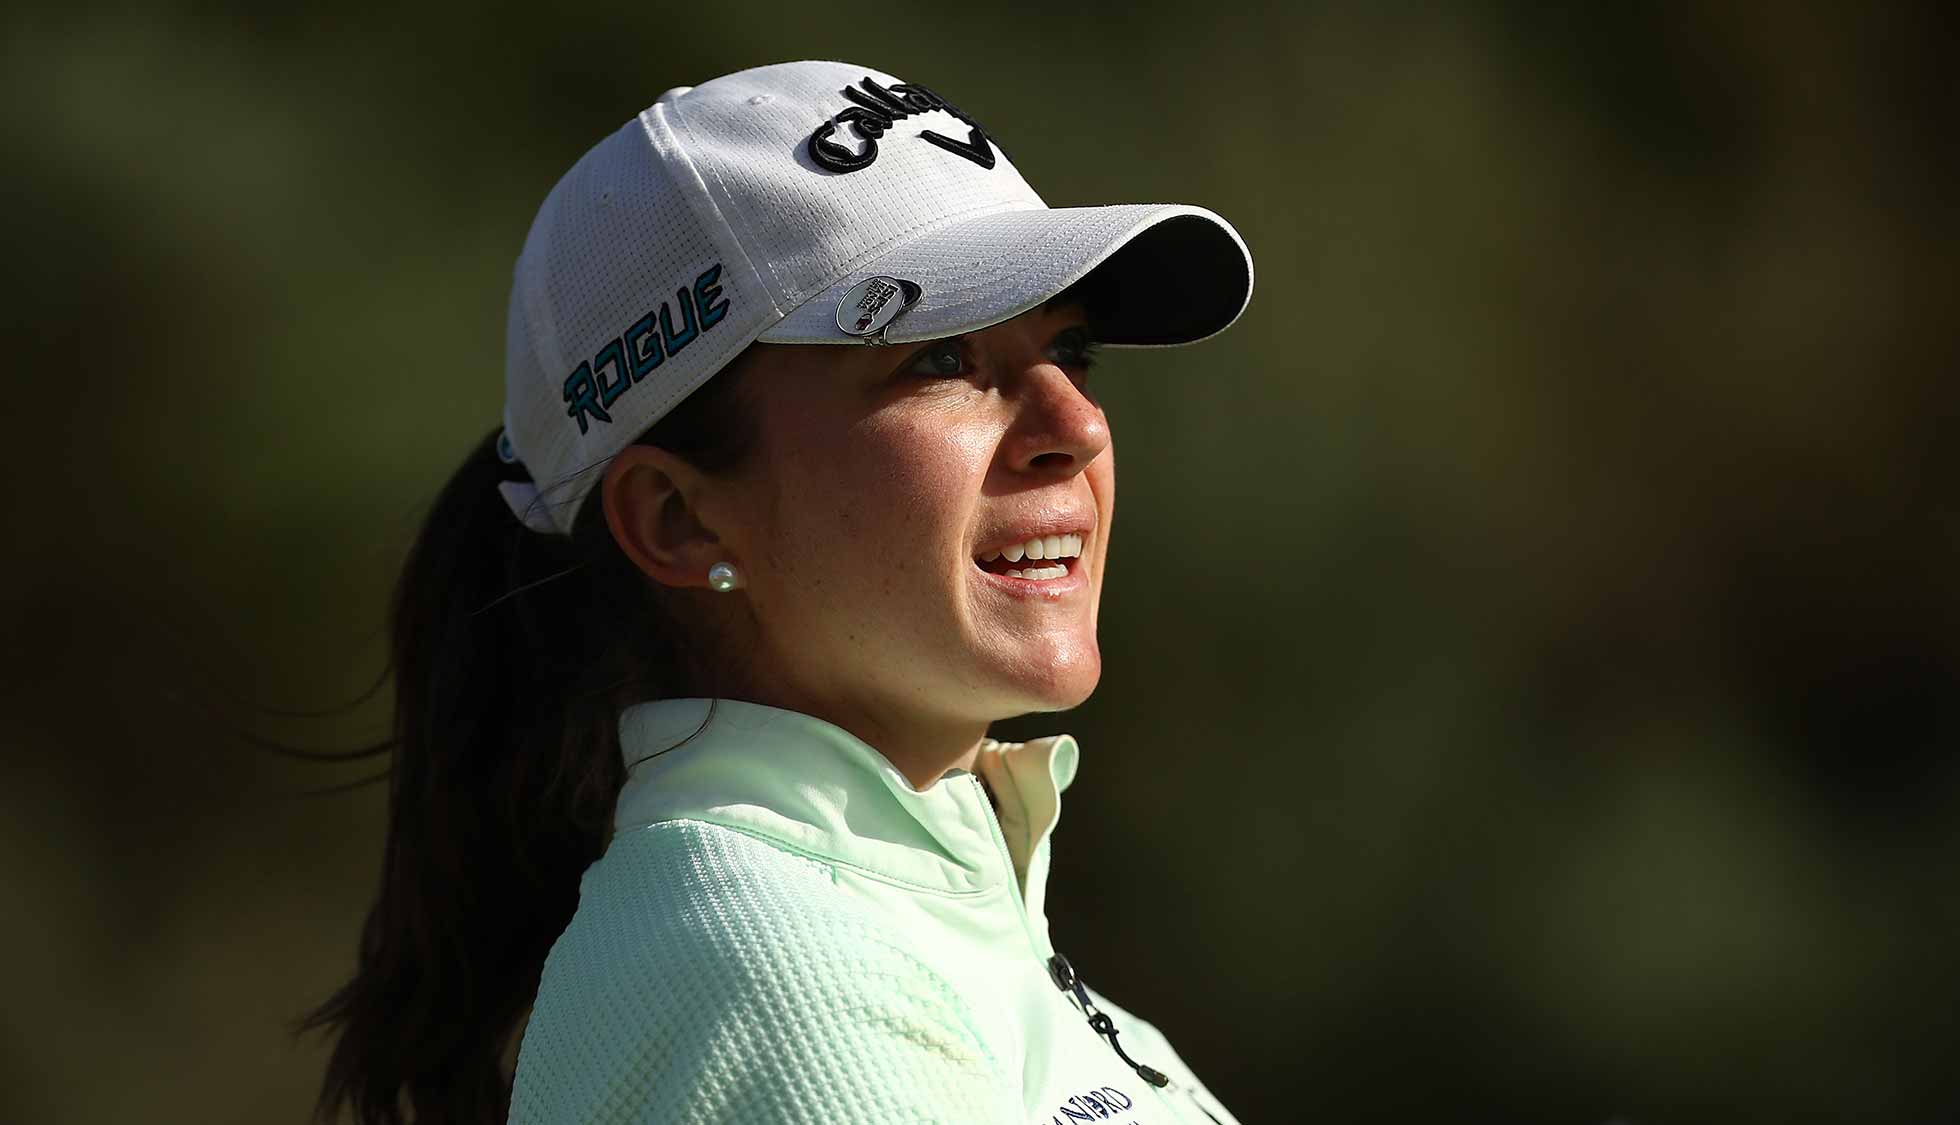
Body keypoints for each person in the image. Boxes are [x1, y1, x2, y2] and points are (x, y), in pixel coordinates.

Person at [300, 59, 1254, 1124]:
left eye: (1067, 347)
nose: (1074, 426)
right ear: (678, 518)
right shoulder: (770, 979)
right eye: (938, 354)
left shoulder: (896, 930)